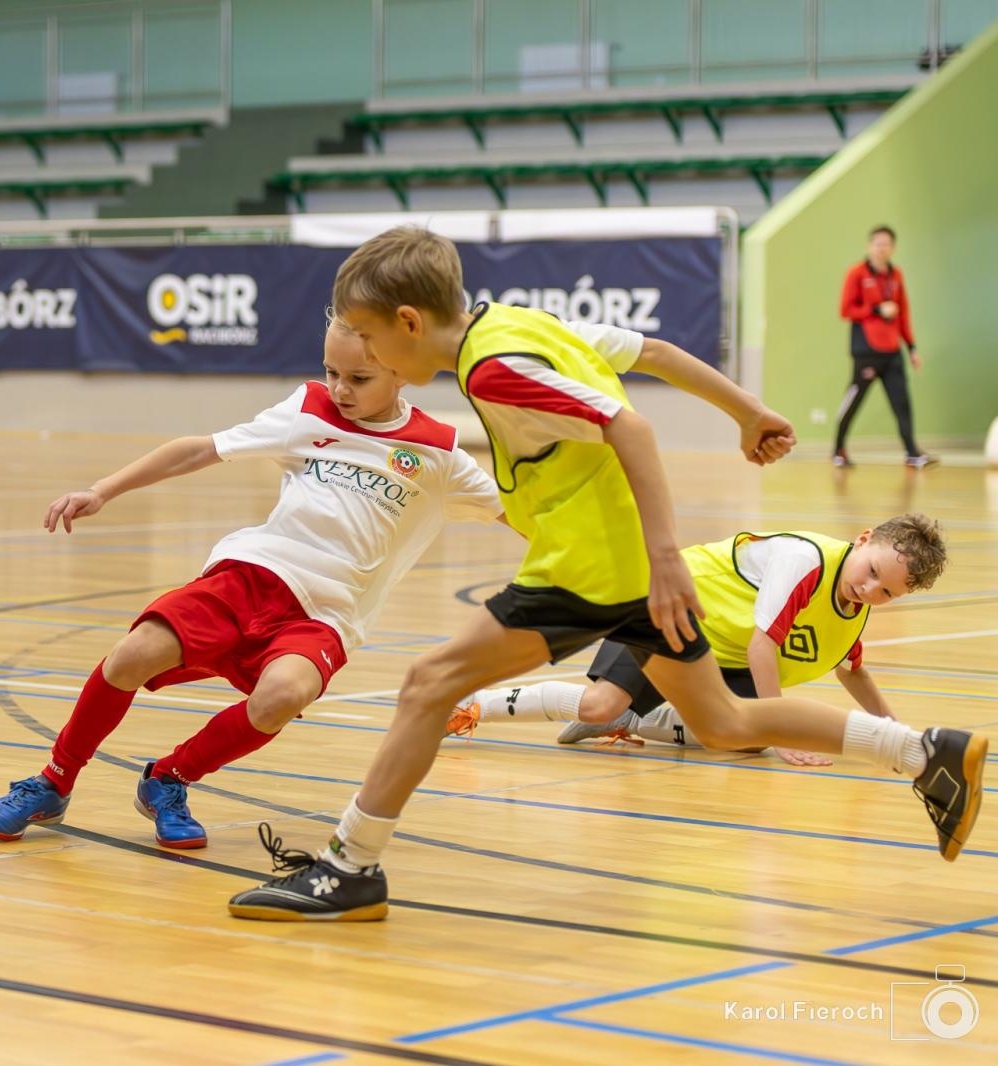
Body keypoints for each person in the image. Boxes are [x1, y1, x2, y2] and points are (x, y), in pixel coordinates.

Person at [227, 228, 985, 922]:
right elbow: (651, 352)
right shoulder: (516, 323)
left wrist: (664, 558)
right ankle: (924, 751)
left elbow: (629, 423)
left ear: (409, 322)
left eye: (367, 335)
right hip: (619, 567)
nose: (367, 352)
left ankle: (350, 867)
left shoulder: (495, 371)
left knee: (428, 684)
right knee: (724, 723)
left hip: (589, 570)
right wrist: (748, 411)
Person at [0, 316, 505, 849]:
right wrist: (103, 490)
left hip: (325, 615)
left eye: (359, 378)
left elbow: (518, 514)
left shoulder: (438, 452)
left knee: (282, 695)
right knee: (133, 654)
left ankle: (168, 779)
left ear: (403, 372)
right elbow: (200, 449)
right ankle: (53, 781)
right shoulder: (308, 410)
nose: (341, 389)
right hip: (250, 575)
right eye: (331, 371)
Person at [453, 515, 946, 767]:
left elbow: (851, 669)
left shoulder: (855, 608)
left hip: (717, 652)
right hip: (665, 602)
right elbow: (762, 648)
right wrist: (783, 735)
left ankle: (638, 719)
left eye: (887, 592)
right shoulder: (807, 560)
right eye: (872, 572)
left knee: (742, 737)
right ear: (861, 540)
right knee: (600, 704)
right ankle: (474, 705)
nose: (868, 590)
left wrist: (897, 731)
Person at [834, 225, 934, 469]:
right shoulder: (857, 273)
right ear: (870, 246)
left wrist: (911, 347)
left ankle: (912, 452)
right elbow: (846, 310)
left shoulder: (896, 275)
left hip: (892, 352)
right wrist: (877, 309)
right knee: (854, 400)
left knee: (902, 402)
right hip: (867, 352)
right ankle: (838, 450)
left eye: (886, 244)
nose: (882, 248)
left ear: (893, 248)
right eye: (877, 243)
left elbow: (903, 313)